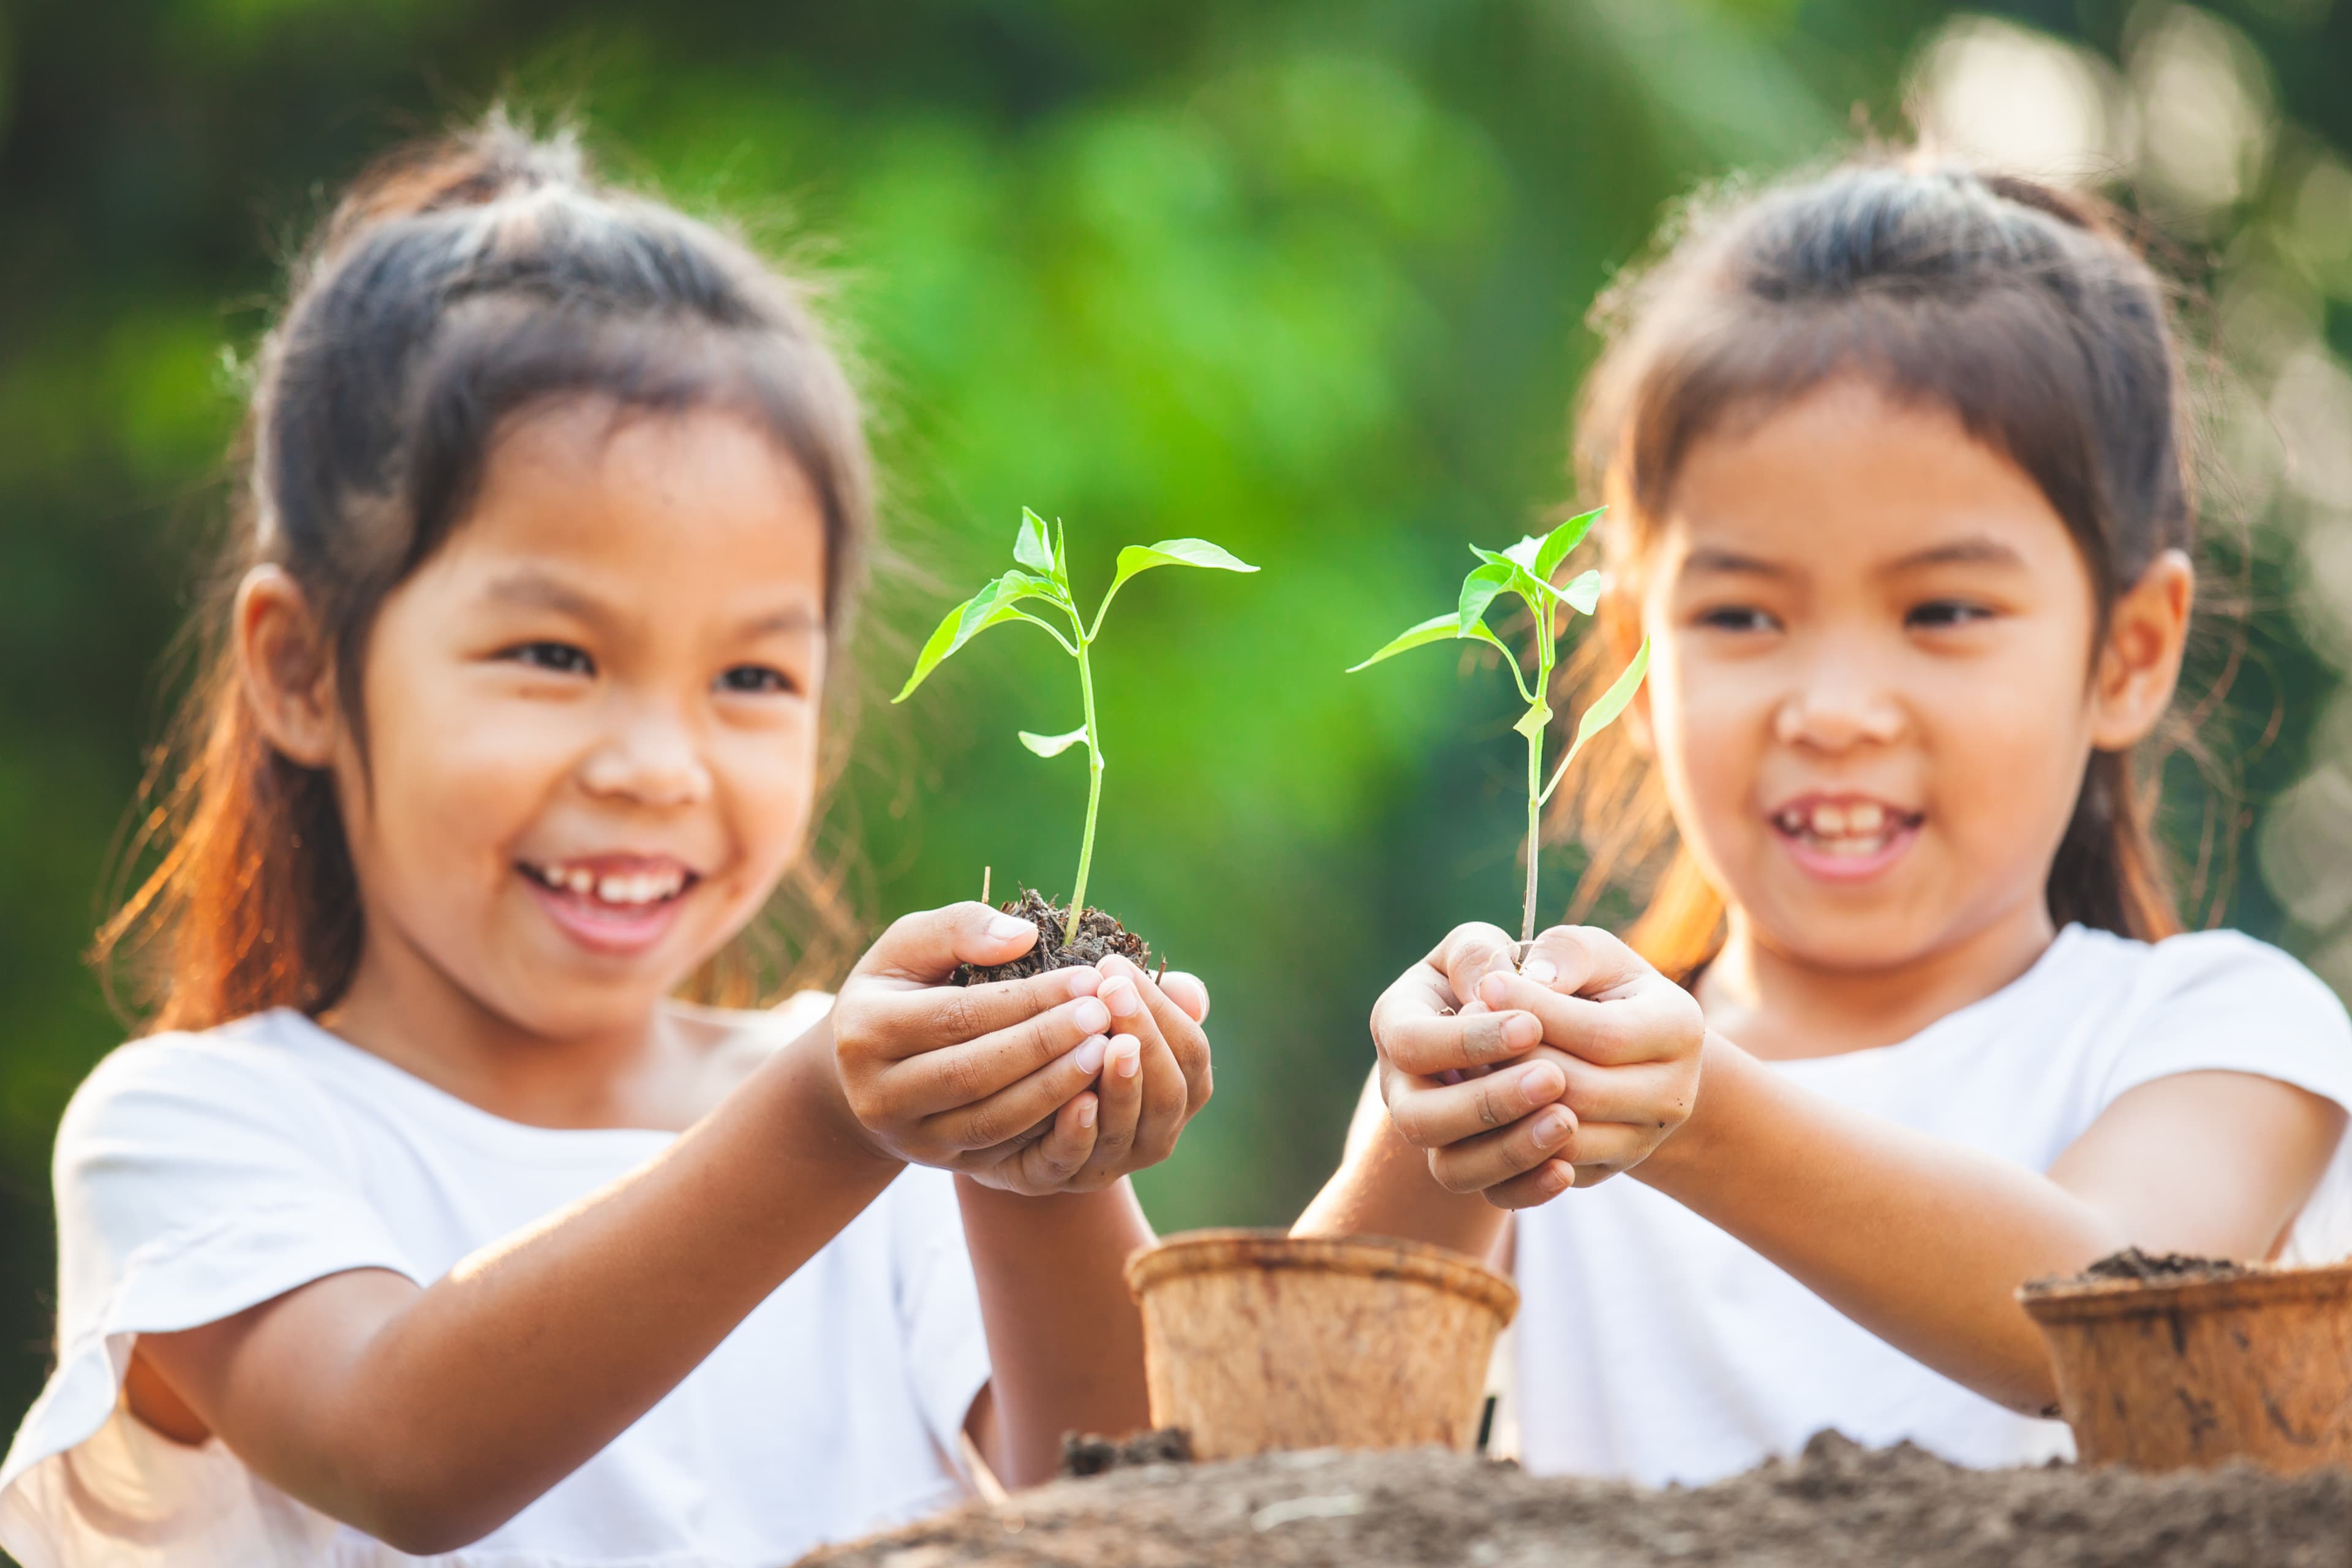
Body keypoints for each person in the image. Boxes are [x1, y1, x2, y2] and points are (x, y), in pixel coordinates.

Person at [0, 113, 1213, 1567]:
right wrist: (831, 1117)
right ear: (305, 671)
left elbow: (1142, 1510)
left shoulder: (893, 1148)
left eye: (752, 676)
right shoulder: (195, 1134)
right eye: (552, 655)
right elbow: (408, 1453)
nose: (656, 767)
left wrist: (1043, 1170)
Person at [1298, 155, 2352, 1487]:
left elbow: (2107, 1319)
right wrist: (1422, 1134)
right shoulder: (1550, 1080)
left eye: (1943, 612)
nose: (1837, 708)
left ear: (2131, 651)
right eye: (1740, 615)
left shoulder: (2222, 1032)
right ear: (1635, 649)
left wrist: (1700, 1115)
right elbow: (1282, 1453)